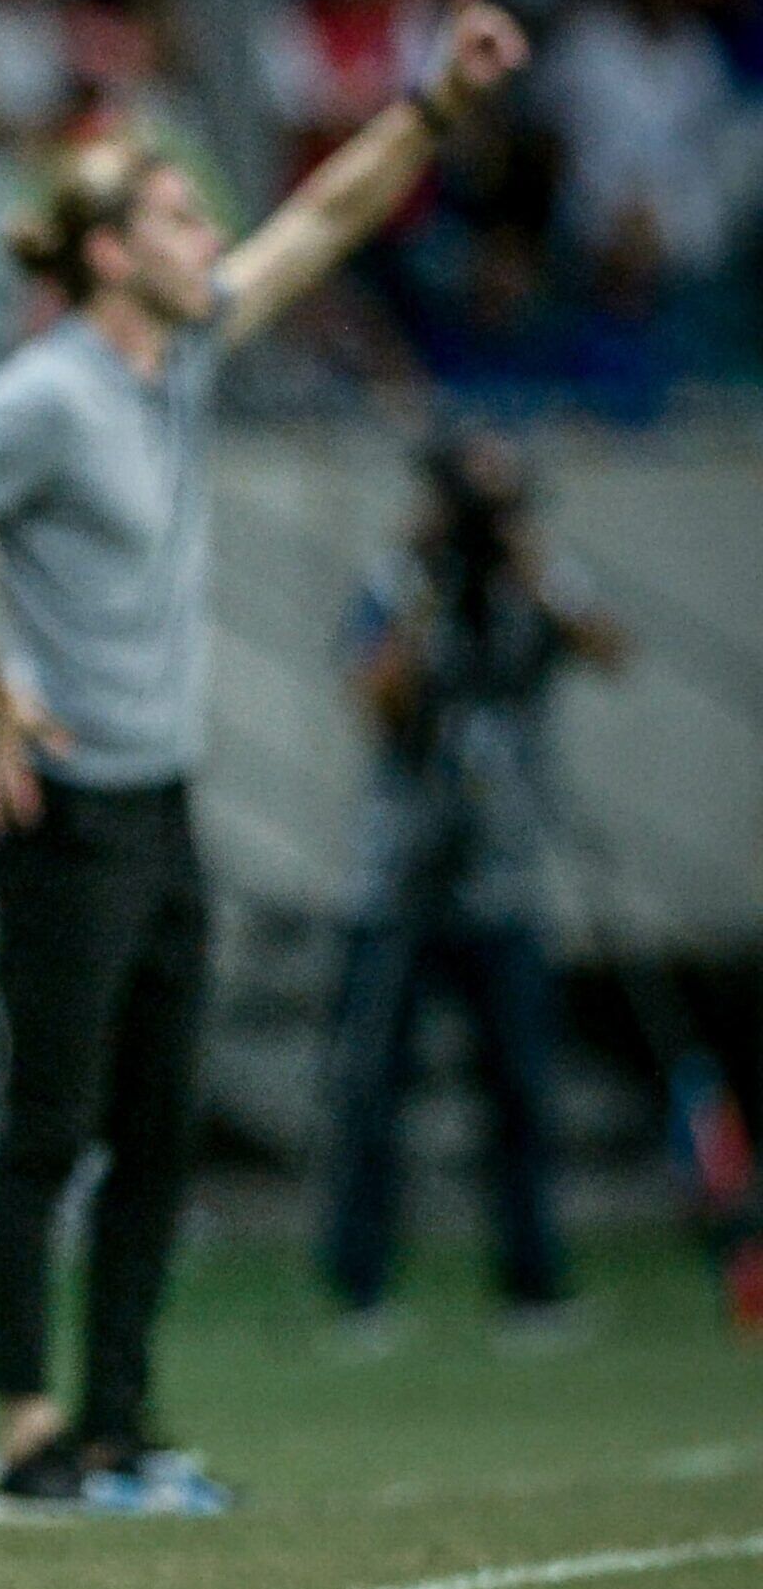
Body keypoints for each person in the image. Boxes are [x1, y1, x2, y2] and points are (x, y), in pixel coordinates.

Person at [0, 0, 532, 1521]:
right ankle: (27, 1442)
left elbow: (324, 219)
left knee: (154, 1129)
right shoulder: (44, 395)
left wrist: (433, 102)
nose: (202, 227)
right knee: (51, 1130)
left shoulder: (184, 351)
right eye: (167, 209)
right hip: (64, 816)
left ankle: (124, 1425)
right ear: (101, 250)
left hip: (159, 805)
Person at [322, 428, 628, 1347]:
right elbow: (372, 699)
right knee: (373, 1087)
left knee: (522, 1090)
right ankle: (362, 1290)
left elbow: (610, 649)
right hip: (397, 880)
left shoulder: (532, 581)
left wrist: (531, 571)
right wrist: (423, 590)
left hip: (503, 882)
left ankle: (532, 1285)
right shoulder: (397, 583)